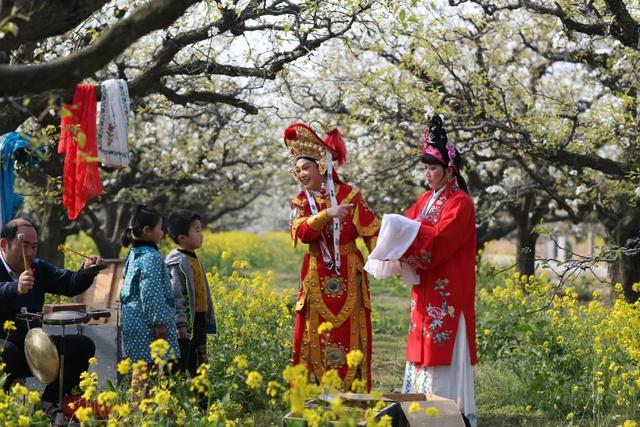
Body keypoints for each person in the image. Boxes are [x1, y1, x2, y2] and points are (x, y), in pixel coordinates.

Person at [284, 121, 380, 392]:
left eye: (306, 167)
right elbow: (302, 232)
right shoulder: (300, 202)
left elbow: (372, 231)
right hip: (316, 274)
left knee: (350, 336)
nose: (301, 174)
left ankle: (354, 395)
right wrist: (327, 214)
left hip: (350, 274)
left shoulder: (350, 195)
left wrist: (384, 257)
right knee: (314, 335)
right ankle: (313, 397)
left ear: (322, 166)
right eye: (297, 169)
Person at [400, 115, 477, 425]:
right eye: (426, 167)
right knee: (422, 346)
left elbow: (441, 241)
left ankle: (448, 415)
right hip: (424, 290)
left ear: (450, 170)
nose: (427, 173)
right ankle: (419, 415)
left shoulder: (461, 203)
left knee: (442, 346)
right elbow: (406, 226)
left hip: (448, 292)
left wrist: (406, 236)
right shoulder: (424, 200)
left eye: (433, 167)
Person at [0, 218, 103, 408]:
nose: (30, 253)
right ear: (4, 244)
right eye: (25, 246)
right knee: (7, 352)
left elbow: (69, 283)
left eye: (34, 246)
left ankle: (48, 405)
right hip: (5, 350)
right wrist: (14, 288)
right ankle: (4, 411)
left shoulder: (38, 268)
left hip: (33, 348)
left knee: (81, 346)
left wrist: (87, 271)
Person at [120, 205, 180, 367]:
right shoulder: (151, 257)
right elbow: (150, 293)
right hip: (148, 327)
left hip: (133, 323)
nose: (163, 233)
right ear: (147, 230)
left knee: (141, 371)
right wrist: (159, 324)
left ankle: (138, 394)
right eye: (160, 228)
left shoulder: (134, 254)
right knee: (148, 373)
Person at [165, 210, 216, 376]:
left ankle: (200, 401)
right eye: (197, 230)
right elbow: (175, 295)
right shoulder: (177, 261)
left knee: (200, 367)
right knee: (178, 366)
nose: (202, 235)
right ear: (182, 238)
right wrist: (180, 323)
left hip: (199, 321)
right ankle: (172, 398)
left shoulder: (194, 258)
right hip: (185, 325)